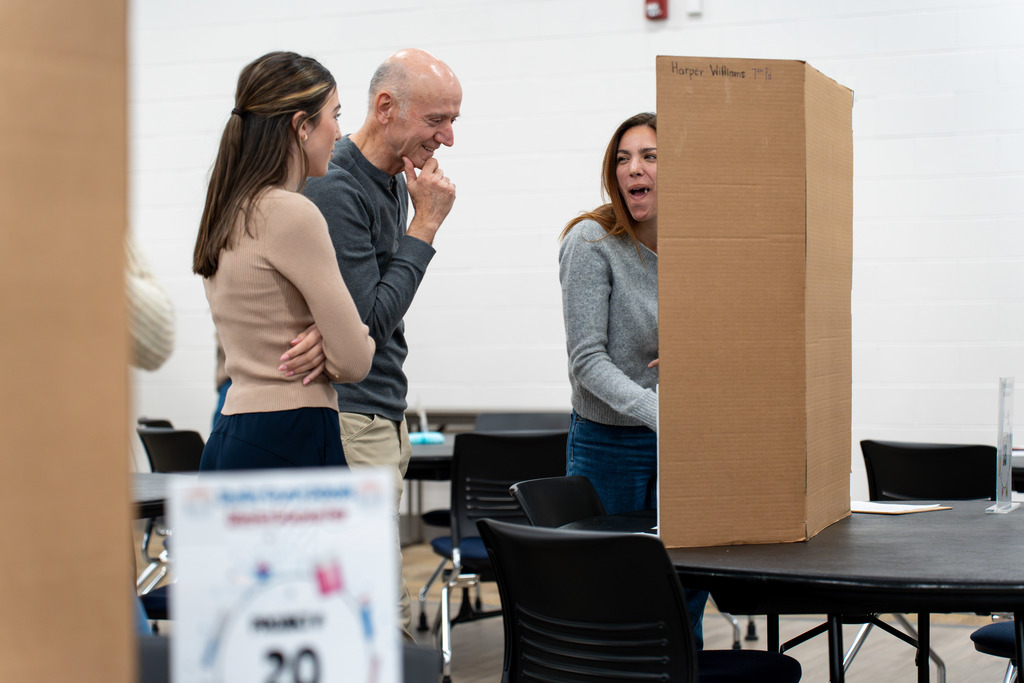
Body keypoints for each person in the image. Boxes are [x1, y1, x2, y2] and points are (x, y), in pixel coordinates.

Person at [302, 48, 460, 636]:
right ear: (386, 108)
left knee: (372, 599)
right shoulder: (337, 189)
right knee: (376, 613)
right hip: (354, 418)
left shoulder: (392, 181)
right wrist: (425, 228)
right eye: (435, 120)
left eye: (453, 121)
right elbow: (368, 323)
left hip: (382, 417)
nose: (446, 137)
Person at [558, 112, 709, 646]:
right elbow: (588, 361)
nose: (633, 169)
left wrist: (697, 357)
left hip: (676, 444)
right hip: (609, 445)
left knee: (686, 585)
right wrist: (657, 412)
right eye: (623, 159)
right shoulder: (592, 243)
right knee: (617, 597)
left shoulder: (696, 247)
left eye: (648, 156)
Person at [193, 51, 375, 471]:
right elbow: (353, 360)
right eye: (335, 115)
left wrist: (328, 336)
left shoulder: (227, 209)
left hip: (231, 433)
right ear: (302, 125)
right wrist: (334, 338)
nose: (339, 132)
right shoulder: (291, 212)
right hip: (291, 432)